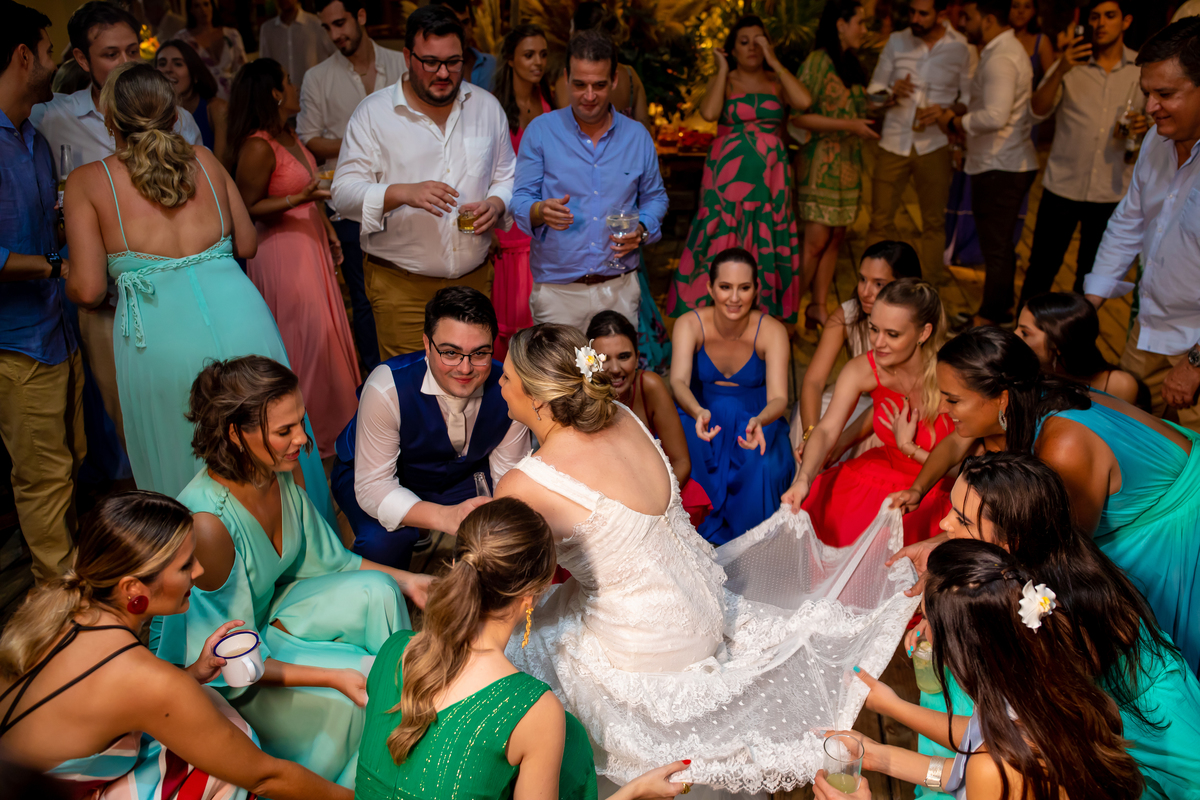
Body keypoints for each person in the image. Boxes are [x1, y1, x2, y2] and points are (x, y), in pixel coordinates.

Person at [492, 323, 925, 792]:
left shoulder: (523, 485)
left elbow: (519, 584)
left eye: (507, 376)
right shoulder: (622, 415)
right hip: (705, 610)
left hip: (644, 647)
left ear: (537, 397)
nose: (499, 382)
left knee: (519, 647)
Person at [62, 61, 335, 528]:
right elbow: (246, 242)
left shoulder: (88, 181)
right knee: (271, 430)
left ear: (109, 120)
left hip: (161, 334)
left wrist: (68, 268)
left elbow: (87, 290)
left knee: (185, 448)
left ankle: (210, 560)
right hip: (241, 315)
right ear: (174, 115)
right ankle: (303, 543)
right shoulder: (205, 161)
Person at [153, 356, 427, 787]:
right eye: (285, 431)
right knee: (360, 689)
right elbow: (230, 662)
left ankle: (404, 718)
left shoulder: (274, 470)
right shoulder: (208, 524)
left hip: (270, 615)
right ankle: (367, 773)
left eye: (301, 422)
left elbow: (333, 562)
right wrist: (334, 677)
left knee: (378, 589)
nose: (301, 438)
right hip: (233, 672)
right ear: (235, 434)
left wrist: (415, 582)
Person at [881, 452, 1200, 798]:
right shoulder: (1024, 564)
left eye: (961, 518)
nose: (944, 525)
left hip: (1145, 728)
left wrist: (951, 621)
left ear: (1010, 543)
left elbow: (1011, 731)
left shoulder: (1058, 620)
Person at [0, 491, 353, 800]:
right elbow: (266, 777)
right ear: (132, 589)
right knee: (224, 760)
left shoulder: (61, 614)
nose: (199, 571)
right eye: (185, 566)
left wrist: (194, 673)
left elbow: (104, 700)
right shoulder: (145, 677)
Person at [888, 327, 1200, 670]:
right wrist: (939, 539)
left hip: (1174, 524)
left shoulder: (1065, 446)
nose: (944, 408)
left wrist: (944, 575)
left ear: (1001, 397)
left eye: (953, 400)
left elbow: (1048, 553)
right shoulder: (1029, 397)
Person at [357, 498, 690, 799]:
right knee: (571, 739)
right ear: (531, 596)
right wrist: (633, 792)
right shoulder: (534, 710)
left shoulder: (394, 650)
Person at [823, 540, 1145, 800]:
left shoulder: (993, 768)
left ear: (960, 648)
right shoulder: (1042, 690)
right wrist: (879, 755)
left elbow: (980, 767)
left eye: (927, 619)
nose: (922, 632)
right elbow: (970, 751)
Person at [31, 1, 203, 456]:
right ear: (82, 60)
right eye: (111, 54)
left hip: (179, 297)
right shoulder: (51, 118)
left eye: (132, 51)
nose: (126, 63)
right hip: (107, 304)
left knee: (196, 414)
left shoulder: (178, 119)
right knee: (132, 425)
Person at [332, 5, 515, 360]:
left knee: (472, 379)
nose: (443, 73)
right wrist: (402, 192)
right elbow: (343, 194)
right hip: (401, 288)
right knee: (411, 384)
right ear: (407, 57)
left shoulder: (487, 108)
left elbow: (507, 175)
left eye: (453, 62)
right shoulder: (374, 114)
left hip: (473, 281)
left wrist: (496, 204)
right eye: (430, 62)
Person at [331, 287, 530, 570]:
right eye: (450, 352)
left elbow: (508, 479)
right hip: (379, 474)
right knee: (383, 542)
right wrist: (443, 517)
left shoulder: (508, 389)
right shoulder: (387, 386)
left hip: (462, 477)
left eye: (479, 353)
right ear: (427, 344)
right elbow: (373, 486)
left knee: (503, 527)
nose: (465, 368)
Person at [229, 58, 360, 459]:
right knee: (304, 337)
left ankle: (338, 429)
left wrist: (327, 229)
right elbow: (247, 208)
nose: (295, 85)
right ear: (274, 92)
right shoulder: (257, 146)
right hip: (282, 252)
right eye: (288, 80)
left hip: (310, 242)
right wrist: (296, 199)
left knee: (326, 334)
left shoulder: (288, 135)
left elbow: (308, 193)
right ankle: (309, 432)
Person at [0, 2, 85, 584]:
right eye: (50, 51)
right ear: (23, 56)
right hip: (18, 342)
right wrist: (58, 267)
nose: (54, 64)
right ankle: (58, 604)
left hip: (56, 328)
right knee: (44, 477)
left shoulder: (30, 135)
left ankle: (70, 579)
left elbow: (39, 230)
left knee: (72, 460)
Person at [509, 29, 669, 333]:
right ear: (566, 78)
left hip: (619, 288)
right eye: (580, 84)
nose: (590, 96)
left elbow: (656, 198)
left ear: (615, 80)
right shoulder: (541, 131)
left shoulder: (637, 137)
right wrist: (540, 210)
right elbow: (520, 200)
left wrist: (642, 228)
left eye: (599, 85)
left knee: (616, 366)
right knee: (558, 367)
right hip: (558, 292)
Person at [1085, 16, 1200, 434]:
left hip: (1196, 347)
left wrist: (1195, 363)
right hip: (1148, 329)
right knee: (1124, 437)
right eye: (1147, 92)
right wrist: (1089, 304)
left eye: (1165, 94)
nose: (1149, 107)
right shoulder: (1156, 139)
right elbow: (1129, 221)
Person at [784, 278, 953, 547]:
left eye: (892, 334)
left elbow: (969, 467)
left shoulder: (954, 374)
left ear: (924, 333)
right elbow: (826, 430)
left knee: (896, 531)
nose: (878, 342)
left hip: (937, 489)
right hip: (881, 471)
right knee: (817, 500)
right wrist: (803, 478)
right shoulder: (864, 368)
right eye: (874, 329)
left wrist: (908, 448)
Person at [666, 15, 812, 323]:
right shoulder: (727, 80)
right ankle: (705, 314)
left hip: (770, 178)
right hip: (726, 178)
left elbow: (804, 100)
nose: (752, 48)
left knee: (768, 234)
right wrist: (722, 69)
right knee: (718, 233)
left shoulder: (777, 81)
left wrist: (774, 60)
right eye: (744, 42)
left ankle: (764, 316)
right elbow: (709, 113)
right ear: (732, 49)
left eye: (759, 41)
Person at [301, 0, 407, 373]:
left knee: (405, 287)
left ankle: (413, 367)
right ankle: (378, 375)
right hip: (348, 203)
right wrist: (361, 143)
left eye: (340, 23)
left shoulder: (399, 63)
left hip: (402, 199)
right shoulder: (317, 77)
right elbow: (310, 139)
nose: (335, 34)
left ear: (361, 16)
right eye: (327, 27)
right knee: (363, 299)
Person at [1017, 0, 1145, 306]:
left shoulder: (1141, 68)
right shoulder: (1071, 64)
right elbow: (1036, 111)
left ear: (1126, 21)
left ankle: (1076, 336)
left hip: (1111, 191)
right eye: (1095, 17)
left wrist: (1147, 124)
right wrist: (1060, 68)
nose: (1101, 23)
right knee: (1041, 269)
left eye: (1110, 16)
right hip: (1063, 186)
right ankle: (1022, 333)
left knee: (1092, 278)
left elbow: (1157, 118)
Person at [670, 248, 794, 544]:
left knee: (763, 467)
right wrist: (697, 411)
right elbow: (678, 381)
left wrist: (760, 421)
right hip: (700, 412)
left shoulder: (772, 331)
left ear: (756, 289)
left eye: (744, 288)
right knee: (685, 460)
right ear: (710, 288)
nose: (734, 298)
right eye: (725, 287)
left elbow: (779, 398)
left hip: (755, 418)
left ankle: (750, 547)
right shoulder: (689, 324)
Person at [933, 0, 1038, 326]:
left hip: (1001, 165)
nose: (963, 22)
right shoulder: (1000, 51)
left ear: (989, 19)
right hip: (1000, 161)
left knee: (996, 248)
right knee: (999, 245)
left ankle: (988, 318)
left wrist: (955, 122)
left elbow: (995, 115)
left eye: (969, 17)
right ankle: (1001, 309)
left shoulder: (1001, 57)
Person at [864, 0, 974, 286]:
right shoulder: (897, 41)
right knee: (879, 220)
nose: (915, 18)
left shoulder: (961, 47)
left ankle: (930, 290)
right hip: (894, 142)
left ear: (941, 13)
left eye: (923, 13)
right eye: (912, 12)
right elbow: (872, 94)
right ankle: (874, 285)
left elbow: (968, 99)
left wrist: (946, 113)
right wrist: (891, 92)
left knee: (934, 223)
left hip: (934, 144)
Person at [793, 240, 923, 458]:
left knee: (880, 434)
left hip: (896, 408)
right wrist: (811, 435)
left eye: (878, 284)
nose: (865, 291)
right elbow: (814, 381)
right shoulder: (848, 314)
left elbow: (896, 399)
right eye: (862, 279)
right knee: (805, 417)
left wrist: (842, 442)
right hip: (854, 397)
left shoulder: (917, 325)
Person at [793, 0, 880, 328]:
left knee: (835, 239)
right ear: (840, 25)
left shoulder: (850, 62)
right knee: (815, 243)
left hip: (848, 164)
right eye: (860, 22)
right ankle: (787, 313)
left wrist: (888, 100)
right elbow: (799, 116)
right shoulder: (817, 62)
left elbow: (856, 109)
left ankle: (818, 305)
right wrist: (849, 125)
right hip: (822, 163)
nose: (864, 30)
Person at [491, 25, 551, 360]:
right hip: (507, 228)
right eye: (529, 55)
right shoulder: (495, 109)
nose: (538, 62)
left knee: (539, 325)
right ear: (511, 60)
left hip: (543, 227)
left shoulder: (551, 104)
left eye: (543, 54)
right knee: (509, 324)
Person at [587, 310, 691, 486]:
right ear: (589, 362)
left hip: (658, 489)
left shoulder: (649, 386)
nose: (615, 369)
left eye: (624, 357)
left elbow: (681, 461)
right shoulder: (580, 397)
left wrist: (659, 500)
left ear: (636, 358)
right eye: (603, 359)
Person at [1016, 292, 1141, 404]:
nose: (1014, 335)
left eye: (1025, 333)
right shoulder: (1022, 372)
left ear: (1058, 343)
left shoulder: (1119, 386)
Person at [552, 3, 651, 129]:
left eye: (572, 27)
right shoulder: (630, 76)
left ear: (579, 34)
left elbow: (567, 133)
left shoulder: (566, 84)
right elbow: (645, 128)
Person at [156, 39, 228, 160]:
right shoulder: (152, 114)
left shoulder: (217, 109)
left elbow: (222, 165)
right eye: (162, 64)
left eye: (178, 64)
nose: (168, 69)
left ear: (195, 75)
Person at [258, 0, 334, 94]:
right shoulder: (267, 29)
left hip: (315, 92)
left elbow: (335, 54)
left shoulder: (316, 24)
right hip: (283, 96)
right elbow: (265, 67)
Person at [177, 0, 245, 101]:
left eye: (206, 4)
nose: (203, 10)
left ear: (212, 6)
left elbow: (243, 69)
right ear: (191, 10)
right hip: (201, 97)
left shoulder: (232, 35)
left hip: (233, 95)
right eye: (197, 6)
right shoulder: (183, 39)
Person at [431, 0, 496, 91]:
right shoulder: (432, 71)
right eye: (452, 24)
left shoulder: (491, 64)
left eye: (465, 22)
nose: (461, 31)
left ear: (472, 23)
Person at [1009, 0, 1053, 88]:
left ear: (1034, 11)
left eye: (1027, 6)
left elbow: (1052, 81)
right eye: (1015, 6)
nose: (1021, 11)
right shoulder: (996, 39)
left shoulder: (1041, 41)